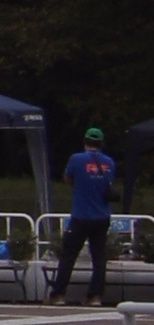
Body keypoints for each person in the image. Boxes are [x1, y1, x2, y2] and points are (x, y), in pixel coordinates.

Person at [59, 124, 120, 309]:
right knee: (99, 257)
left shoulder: (76, 159)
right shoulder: (109, 163)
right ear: (101, 143)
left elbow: (67, 178)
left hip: (80, 215)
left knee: (69, 255)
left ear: (85, 142)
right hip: (101, 217)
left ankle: (58, 293)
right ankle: (95, 296)